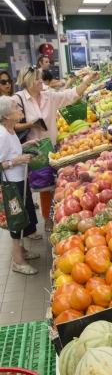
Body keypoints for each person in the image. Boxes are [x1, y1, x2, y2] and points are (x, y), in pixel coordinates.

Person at [14, 66, 99, 231]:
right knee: (43, 187)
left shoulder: (48, 97)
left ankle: (57, 215)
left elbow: (70, 95)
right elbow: (11, 125)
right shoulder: (18, 100)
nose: (41, 81)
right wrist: (30, 124)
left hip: (53, 148)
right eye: (38, 79)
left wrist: (87, 81)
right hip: (33, 151)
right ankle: (45, 220)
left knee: (57, 184)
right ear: (28, 81)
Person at [0, 96, 41, 275]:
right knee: (16, 220)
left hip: (20, 181)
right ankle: (17, 260)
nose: (20, 108)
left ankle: (22, 249)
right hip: (11, 185)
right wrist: (17, 161)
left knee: (25, 216)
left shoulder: (9, 131)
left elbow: (11, 152)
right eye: (16, 106)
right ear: (6, 115)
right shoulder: (1, 135)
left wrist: (25, 145)